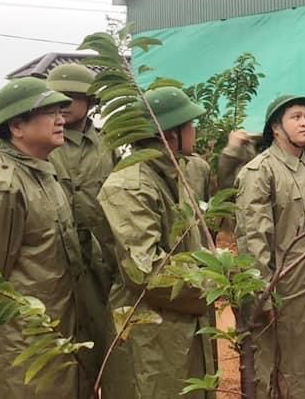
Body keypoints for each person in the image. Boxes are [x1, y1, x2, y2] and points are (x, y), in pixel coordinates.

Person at [0, 77, 84, 398]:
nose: (61, 119)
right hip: (20, 347)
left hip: (54, 336)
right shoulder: (1, 189)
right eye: (50, 112)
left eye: (61, 111)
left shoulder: (44, 173)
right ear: (17, 127)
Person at [96, 87, 216, 398]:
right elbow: (146, 271)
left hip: (182, 323)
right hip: (151, 333)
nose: (195, 130)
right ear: (170, 132)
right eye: (189, 124)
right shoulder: (130, 184)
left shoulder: (182, 172)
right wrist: (214, 282)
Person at [234, 95, 305, 398]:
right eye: (296, 116)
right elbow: (253, 239)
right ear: (276, 128)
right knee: (277, 372)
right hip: (282, 294)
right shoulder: (260, 172)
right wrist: (262, 296)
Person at [45, 63, 119, 393]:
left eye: (73, 97)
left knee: (107, 340)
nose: (64, 105)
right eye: (58, 98)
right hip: (56, 258)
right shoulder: (45, 143)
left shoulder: (107, 145)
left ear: (90, 101)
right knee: (61, 348)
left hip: (101, 258)